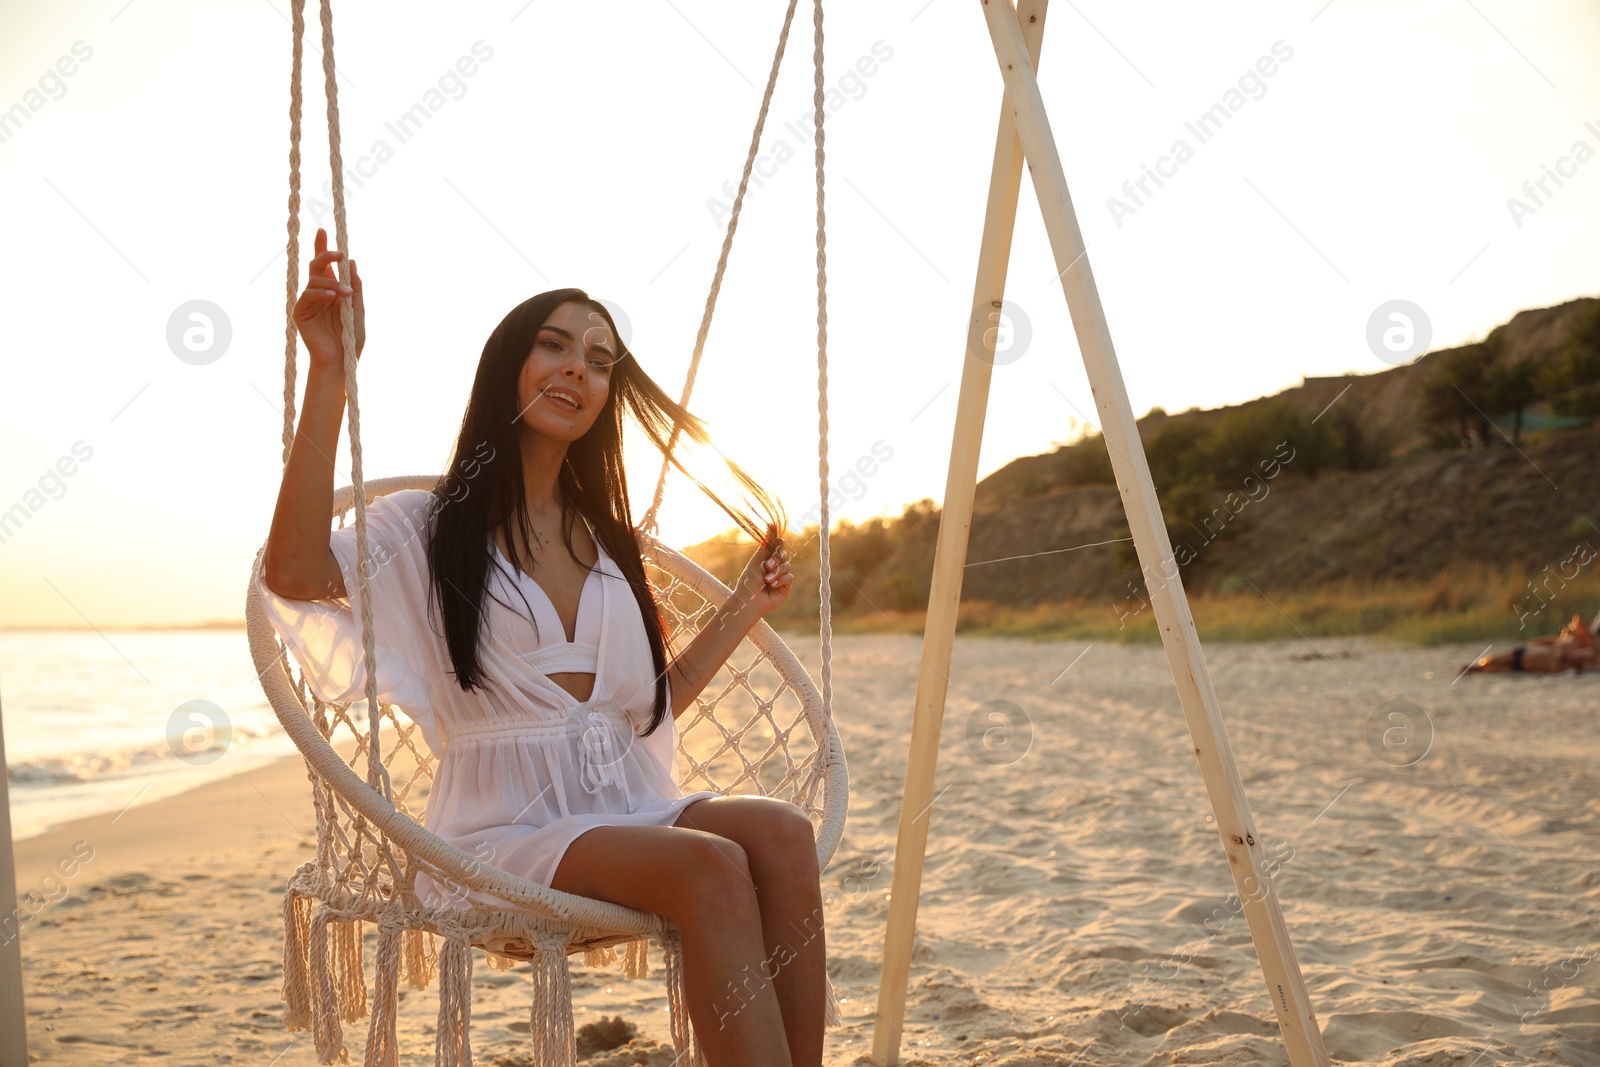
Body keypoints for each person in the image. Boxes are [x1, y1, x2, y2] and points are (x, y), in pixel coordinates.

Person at [258, 229, 823, 1065]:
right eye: (553, 346)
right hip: (502, 830)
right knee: (708, 867)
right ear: (507, 367)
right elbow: (297, 572)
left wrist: (744, 609)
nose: (577, 369)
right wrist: (331, 375)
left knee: (780, 832)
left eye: (598, 360)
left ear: (606, 395)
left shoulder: (608, 542)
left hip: (624, 806)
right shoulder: (426, 527)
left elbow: (642, 710)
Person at [1461, 612, 1599, 674]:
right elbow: (1551, 641)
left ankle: (1476, 669)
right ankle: (1475, 668)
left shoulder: (1588, 644)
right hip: (1531, 653)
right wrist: (1533, 643)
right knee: (1493, 662)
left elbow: (1586, 658)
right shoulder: (1571, 639)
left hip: (1534, 660)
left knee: (1499, 666)